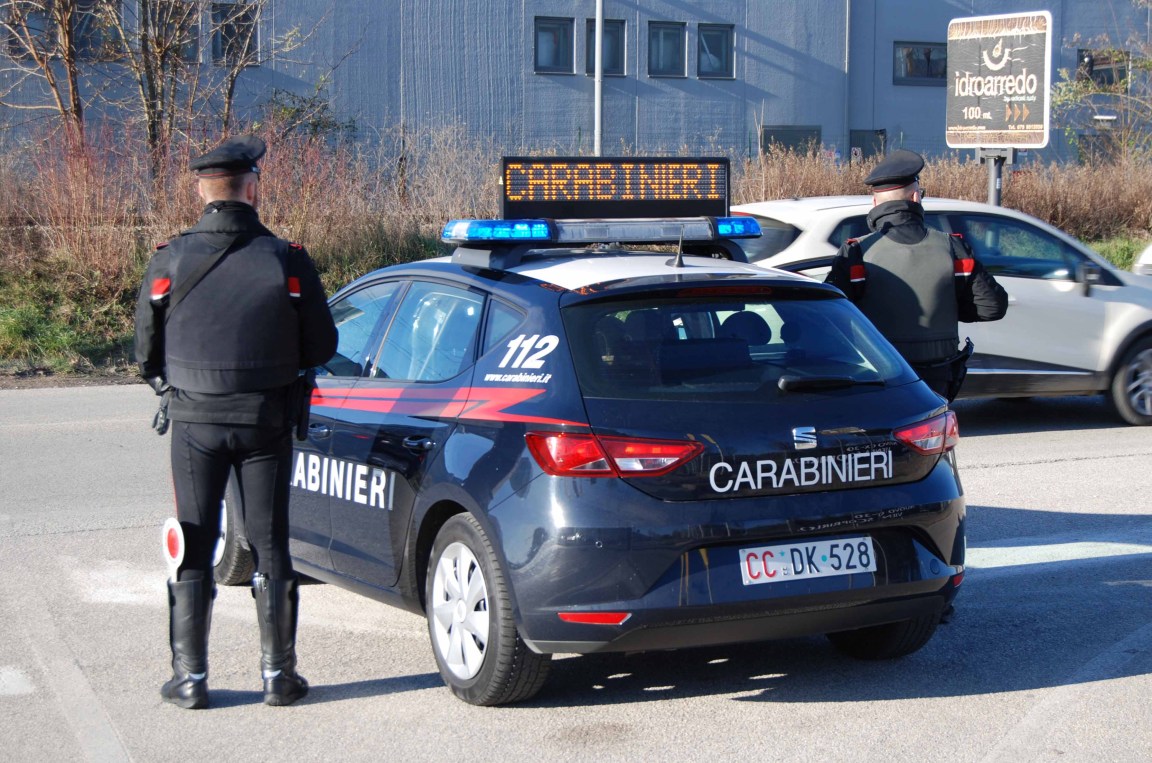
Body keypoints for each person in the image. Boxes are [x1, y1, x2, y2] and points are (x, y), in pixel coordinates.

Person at [134, 135, 337, 709]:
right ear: (252, 188)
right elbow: (322, 344)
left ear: (202, 190)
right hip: (266, 421)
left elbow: (145, 350)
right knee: (271, 546)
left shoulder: (169, 257)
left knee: (195, 545)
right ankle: (279, 677)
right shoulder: (287, 259)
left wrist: (170, 382)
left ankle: (191, 679)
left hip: (196, 422)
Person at [825, 149, 1008, 399]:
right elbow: (992, 307)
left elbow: (833, 318)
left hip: (879, 377)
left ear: (875, 204)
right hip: (937, 377)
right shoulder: (952, 247)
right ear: (916, 197)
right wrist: (948, 307)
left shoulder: (856, 252)